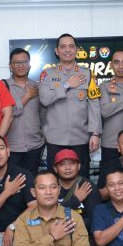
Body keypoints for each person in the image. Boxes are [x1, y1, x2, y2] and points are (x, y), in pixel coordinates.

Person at [39, 33, 102, 179]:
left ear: (76, 50)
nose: (67, 50)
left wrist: (95, 133)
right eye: (63, 47)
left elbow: (94, 104)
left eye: (71, 46)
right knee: (54, 180)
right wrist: (67, 85)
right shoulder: (47, 74)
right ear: (57, 51)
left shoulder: (87, 74)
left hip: (80, 138)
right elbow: (44, 100)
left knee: (82, 180)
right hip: (55, 139)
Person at [4, 48, 45, 175]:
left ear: (29, 65)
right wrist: (27, 96)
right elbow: (8, 114)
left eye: (24, 62)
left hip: (35, 146)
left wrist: (44, 136)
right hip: (12, 147)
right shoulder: (3, 86)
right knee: (12, 182)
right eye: (17, 63)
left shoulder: (38, 87)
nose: (21, 65)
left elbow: (43, 115)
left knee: (31, 182)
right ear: (10, 66)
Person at [98, 49, 123, 166]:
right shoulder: (104, 86)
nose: (120, 66)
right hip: (110, 143)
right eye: (116, 62)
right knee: (110, 175)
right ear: (111, 65)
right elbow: (104, 111)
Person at [54, 149, 101, 230]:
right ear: (55, 168)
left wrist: (69, 227)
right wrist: (75, 200)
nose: (67, 168)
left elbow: (94, 221)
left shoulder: (88, 187)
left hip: (82, 234)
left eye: (72, 163)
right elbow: (49, 217)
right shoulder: (50, 187)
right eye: (62, 164)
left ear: (78, 166)